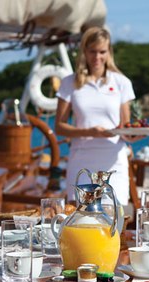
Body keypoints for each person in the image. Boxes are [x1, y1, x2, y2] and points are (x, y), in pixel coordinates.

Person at [55, 27, 139, 206]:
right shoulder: (69, 83)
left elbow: (125, 127)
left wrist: (134, 135)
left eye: (102, 52)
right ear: (84, 51)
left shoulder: (121, 82)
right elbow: (60, 127)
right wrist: (90, 131)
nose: (97, 57)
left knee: (113, 223)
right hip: (81, 160)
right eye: (92, 51)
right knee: (80, 223)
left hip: (113, 162)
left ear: (109, 52)